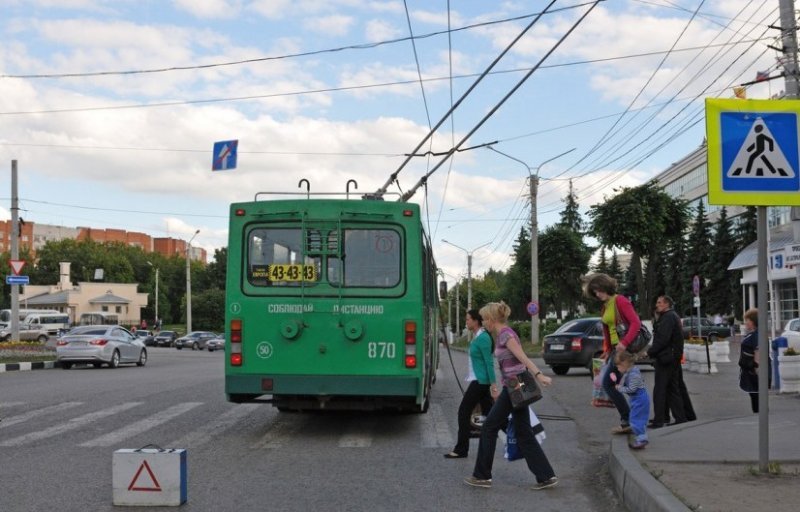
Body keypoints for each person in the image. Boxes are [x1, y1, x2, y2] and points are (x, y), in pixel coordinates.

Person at [464, 301, 557, 491]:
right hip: (512, 385)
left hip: (516, 385)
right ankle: (546, 476)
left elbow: (523, 358)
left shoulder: (506, 335)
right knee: (523, 432)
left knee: (489, 426)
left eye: (483, 319)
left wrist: (539, 375)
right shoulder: (499, 336)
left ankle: (482, 476)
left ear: (490, 319)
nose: (483, 323)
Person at [584, 273, 641, 435]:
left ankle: (628, 420)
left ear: (604, 287)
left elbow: (636, 323)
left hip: (624, 349)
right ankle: (629, 420)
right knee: (612, 383)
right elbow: (607, 330)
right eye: (594, 292)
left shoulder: (620, 301)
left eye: (597, 290)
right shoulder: (606, 305)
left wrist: (624, 343)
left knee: (608, 383)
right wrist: (607, 350)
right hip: (616, 349)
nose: (597, 294)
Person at [445, 309, 496, 459]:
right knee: (492, 414)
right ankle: (517, 439)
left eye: (468, 319)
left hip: (480, 382)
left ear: (476, 321)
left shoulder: (484, 338)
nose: (466, 322)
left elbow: (489, 363)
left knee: (463, 412)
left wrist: (493, 385)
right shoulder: (477, 337)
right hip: (479, 381)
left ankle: (461, 449)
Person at [646, 295, 686, 428]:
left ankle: (659, 420)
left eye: (659, 303)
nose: (657, 305)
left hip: (666, 358)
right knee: (671, 388)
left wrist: (648, 352)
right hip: (672, 357)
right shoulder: (671, 316)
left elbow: (662, 339)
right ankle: (679, 418)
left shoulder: (668, 317)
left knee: (660, 390)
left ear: (667, 304)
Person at [615, 350, 649, 449]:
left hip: (640, 400)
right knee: (637, 419)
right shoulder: (631, 371)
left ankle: (642, 439)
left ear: (625, 363)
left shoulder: (633, 374)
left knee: (635, 420)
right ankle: (641, 437)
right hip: (638, 400)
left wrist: (620, 388)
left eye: (618, 366)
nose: (617, 368)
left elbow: (631, 389)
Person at [739, 308, 761, 413]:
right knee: (754, 394)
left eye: (747, 320)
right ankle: (759, 414)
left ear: (753, 321)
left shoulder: (756, 336)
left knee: (756, 394)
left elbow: (758, 351)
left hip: (753, 370)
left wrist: (756, 368)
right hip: (748, 369)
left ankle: (759, 415)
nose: (745, 322)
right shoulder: (751, 335)